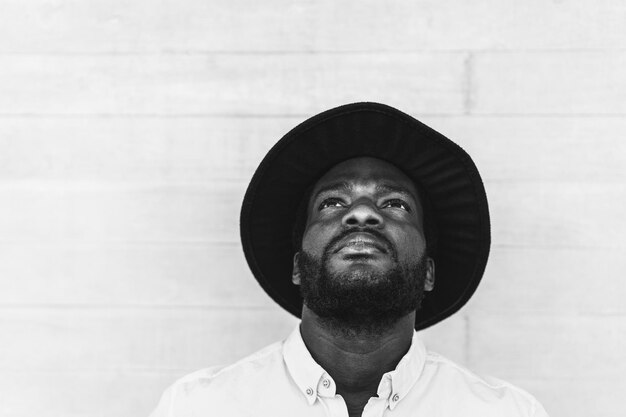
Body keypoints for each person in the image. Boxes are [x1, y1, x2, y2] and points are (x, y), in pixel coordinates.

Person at [149, 102, 549, 417]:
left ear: (428, 272)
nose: (361, 213)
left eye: (394, 203)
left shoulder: (506, 412)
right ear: (296, 265)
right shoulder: (196, 408)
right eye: (333, 202)